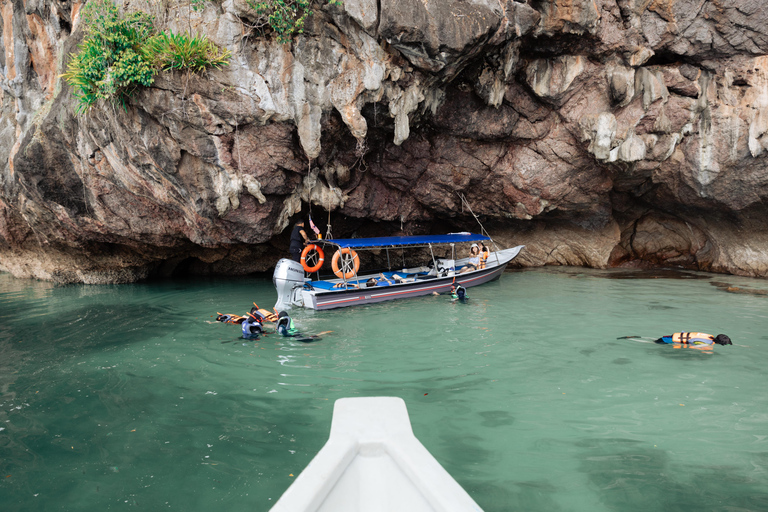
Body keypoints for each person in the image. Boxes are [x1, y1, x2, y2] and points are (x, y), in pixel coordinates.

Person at [654, 332, 732, 350]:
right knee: (654, 344)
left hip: (672, 336)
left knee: (655, 341)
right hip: (669, 340)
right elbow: (692, 343)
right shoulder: (708, 343)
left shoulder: (710, 336)